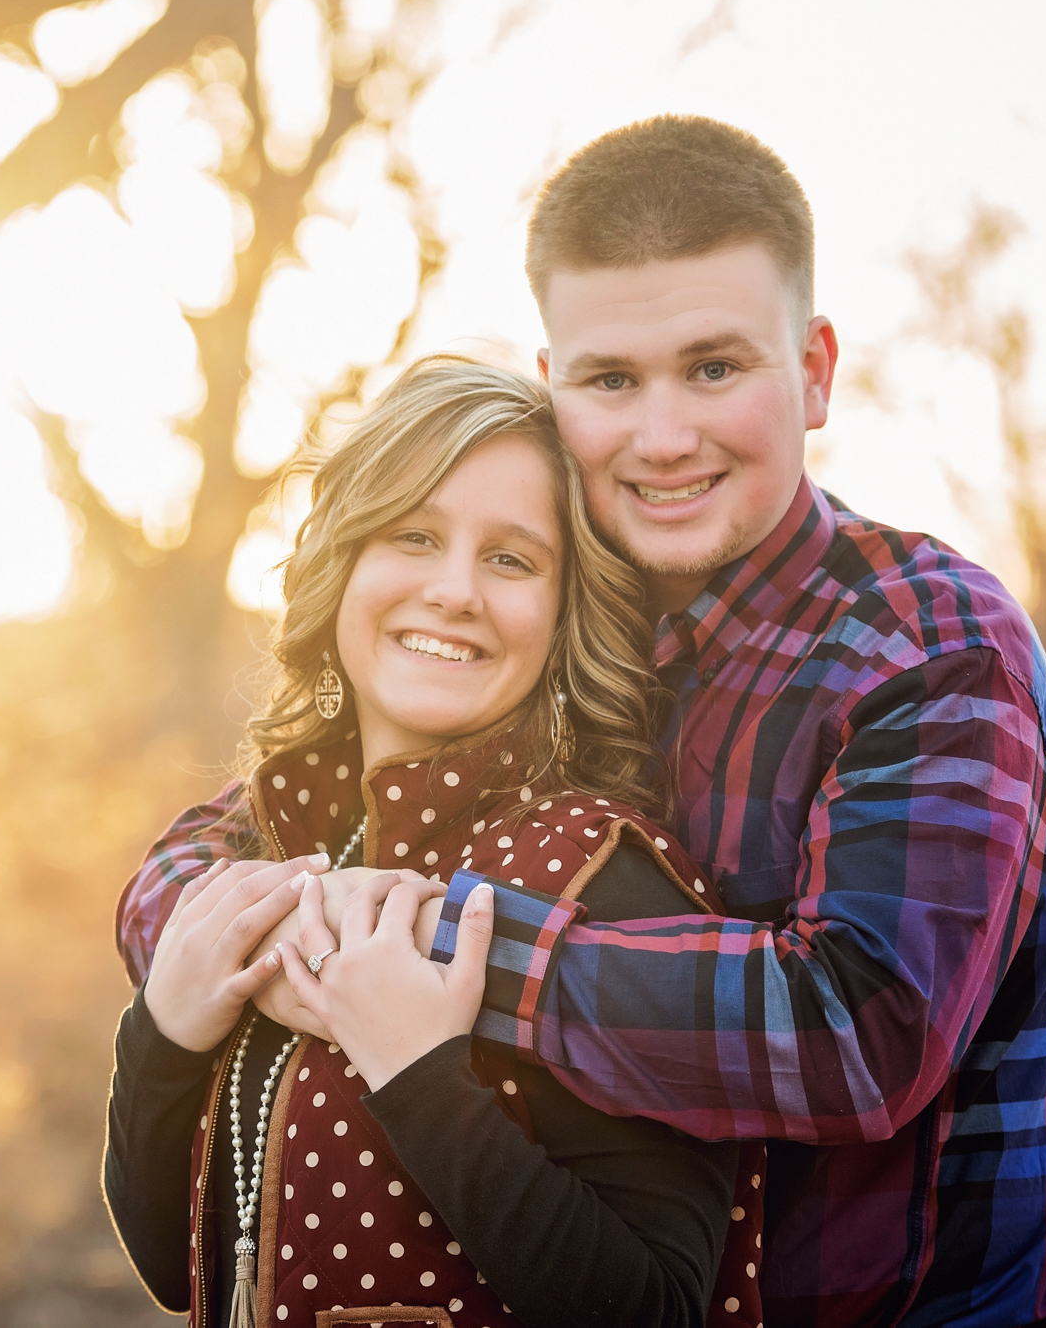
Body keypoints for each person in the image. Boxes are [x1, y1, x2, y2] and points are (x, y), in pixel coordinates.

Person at [117, 116, 1046, 1328]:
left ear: (817, 371)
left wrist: (430, 952)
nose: (664, 434)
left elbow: (860, 1031)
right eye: (611, 380)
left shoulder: (929, 646)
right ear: (556, 389)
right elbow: (228, 846)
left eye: (715, 367)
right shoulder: (569, 625)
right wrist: (250, 944)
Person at [102, 356, 761, 1328]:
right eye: (414, 536)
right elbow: (180, 1264)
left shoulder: (604, 883)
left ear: (562, 611)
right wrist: (161, 1036)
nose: (454, 591)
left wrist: (418, 1077)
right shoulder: (270, 856)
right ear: (343, 564)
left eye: (510, 558)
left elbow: (661, 1310)